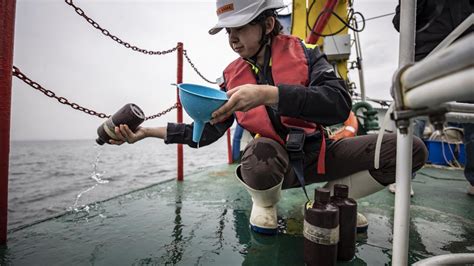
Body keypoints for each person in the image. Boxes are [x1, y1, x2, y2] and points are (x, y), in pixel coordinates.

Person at [111, 0, 427, 235]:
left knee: (409, 149)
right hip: (274, 162)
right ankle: (265, 205)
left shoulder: (306, 52)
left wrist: (269, 94)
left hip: (320, 153)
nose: (232, 38)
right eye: (228, 31)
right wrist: (148, 132)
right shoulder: (231, 77)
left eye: (241, 27)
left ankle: (330, 199)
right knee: (257, 155)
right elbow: (207, 132)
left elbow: (338, 102)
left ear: (268, 23)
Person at [391, 0, 474, 195]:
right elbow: (400, 22)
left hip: (463, 56)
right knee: (414, 117)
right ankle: (402, 177)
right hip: (430, 57)